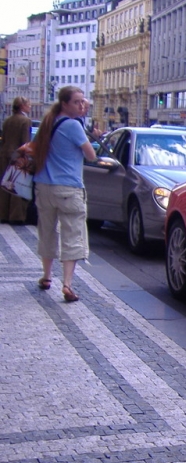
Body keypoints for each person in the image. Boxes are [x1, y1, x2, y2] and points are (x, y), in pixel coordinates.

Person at [32, 86, 97, 302]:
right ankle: (67, 284)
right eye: (77, 102)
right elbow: (91, 155)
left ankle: (46, 276)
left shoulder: (48, 123)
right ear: (65, 104)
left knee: (47, 231)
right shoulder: (72, 126)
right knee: (72, 235)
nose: (81, 105)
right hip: (68, 188)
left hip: (43, 186)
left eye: (82, 101)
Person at [0, 97, 33, 224]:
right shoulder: (25, 121)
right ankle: (16, 216)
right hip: (18, 156)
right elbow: (25, 142)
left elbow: (4, 140)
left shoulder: (8, 120)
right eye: (28, 104)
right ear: (22, 106)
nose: (30, 106)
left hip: (4, 154)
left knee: (5, 184)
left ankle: (3, 213)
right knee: (17, 185)